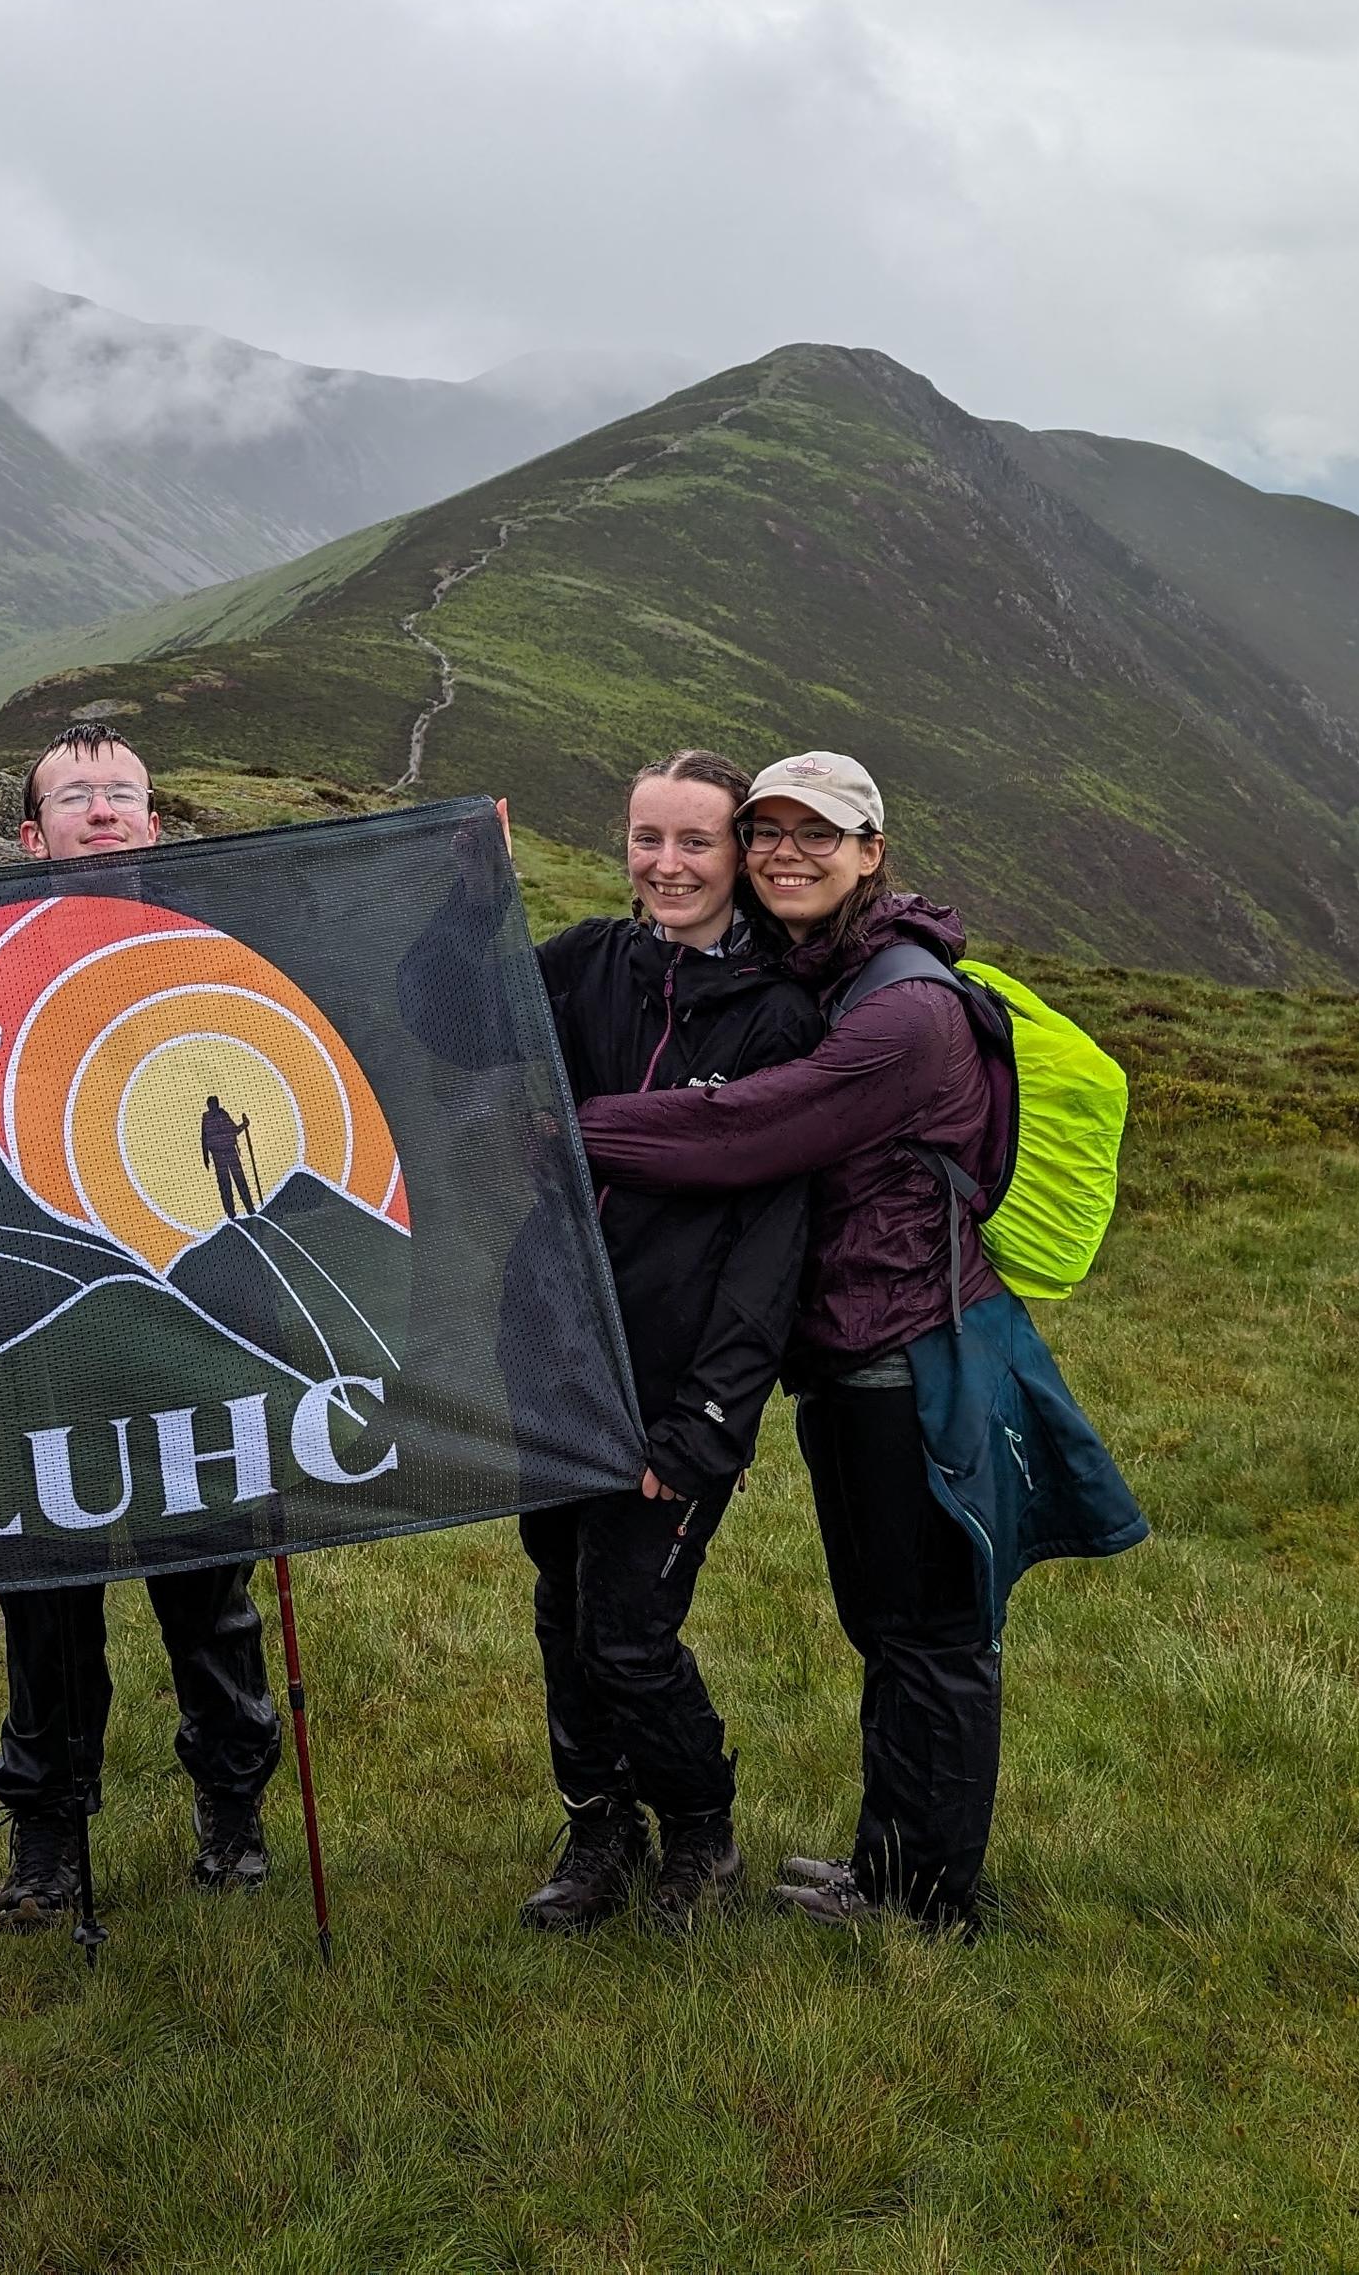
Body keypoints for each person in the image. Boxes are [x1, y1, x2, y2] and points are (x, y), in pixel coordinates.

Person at [575, 750, 1013, 1934]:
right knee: (890, 1625)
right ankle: (892, 1865)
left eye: (819, 833)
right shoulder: (841, 967)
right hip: (857, 1350)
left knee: (929, 1630)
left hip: (909, 1349)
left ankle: (931, 1898)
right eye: (767, 829)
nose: (785, 851)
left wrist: (564, 1129)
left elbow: (747, 1129)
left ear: (874, 851)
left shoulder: (905, 1008)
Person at [0, 722, 284, 1926]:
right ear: (32, 833)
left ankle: (234, 1807)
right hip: (30, 1327)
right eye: (75, 797)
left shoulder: (213, 953)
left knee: (210, 1582)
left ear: (153, 824)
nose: (102, 812)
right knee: (45, 1597)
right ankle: (49, 1835)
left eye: (124, 796)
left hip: (194, 1320)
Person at [516, 751, 821, 1933]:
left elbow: (771, 1237)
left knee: (629, 1630)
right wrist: (459, 881)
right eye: (648, 838)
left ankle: (701, 1832)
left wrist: (709, 1416)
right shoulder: (591, 961)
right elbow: (445, 1023)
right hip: (553, 1360)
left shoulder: (781, 1016)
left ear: (739, 854)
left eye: (695, 841)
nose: (668, 865)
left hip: (673, 1384)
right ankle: (599, 1826)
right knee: (561, 1600)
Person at [199, 1095, 254, 1217]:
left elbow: (233, 1130)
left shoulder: (223, 1115)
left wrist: (244, 1125)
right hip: (219, 1155)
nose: (213, 1107)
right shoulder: (206, 1119)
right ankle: (231, 1212)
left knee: (239, 1180)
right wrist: (205, 1156)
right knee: (225, 1184)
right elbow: (204, 1138)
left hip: (230, 1152)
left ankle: (249, 1208)